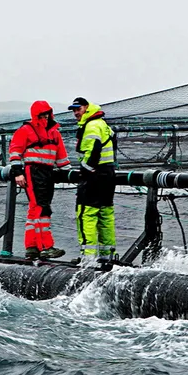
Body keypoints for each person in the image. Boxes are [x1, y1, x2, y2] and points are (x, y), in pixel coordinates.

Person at [9, 101, 71, 260]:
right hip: (33, 171)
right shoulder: (26, 130)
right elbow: (15, 151)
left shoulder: (55, 133)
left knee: (35, 209)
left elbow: (62, 157)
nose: (45, 117)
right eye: (42, 114)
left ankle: (32, 247)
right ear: (36, 115)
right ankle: (46, 247)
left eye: (47, 114)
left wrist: (68, 173)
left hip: (48, 172)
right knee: (42, 209)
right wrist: (18, 173)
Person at [68, 97, 117, 263]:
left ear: (87, 108)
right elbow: (113, 140)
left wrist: (86, 172)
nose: (75, 113)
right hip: (108, 174)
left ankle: (87, 258)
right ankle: (107, 256)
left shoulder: (91, 126)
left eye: (78, 109)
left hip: (94, 176)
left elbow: (93, 151)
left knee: (85, 214)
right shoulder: (102, 124)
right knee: (105, 214)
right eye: (73, 110)